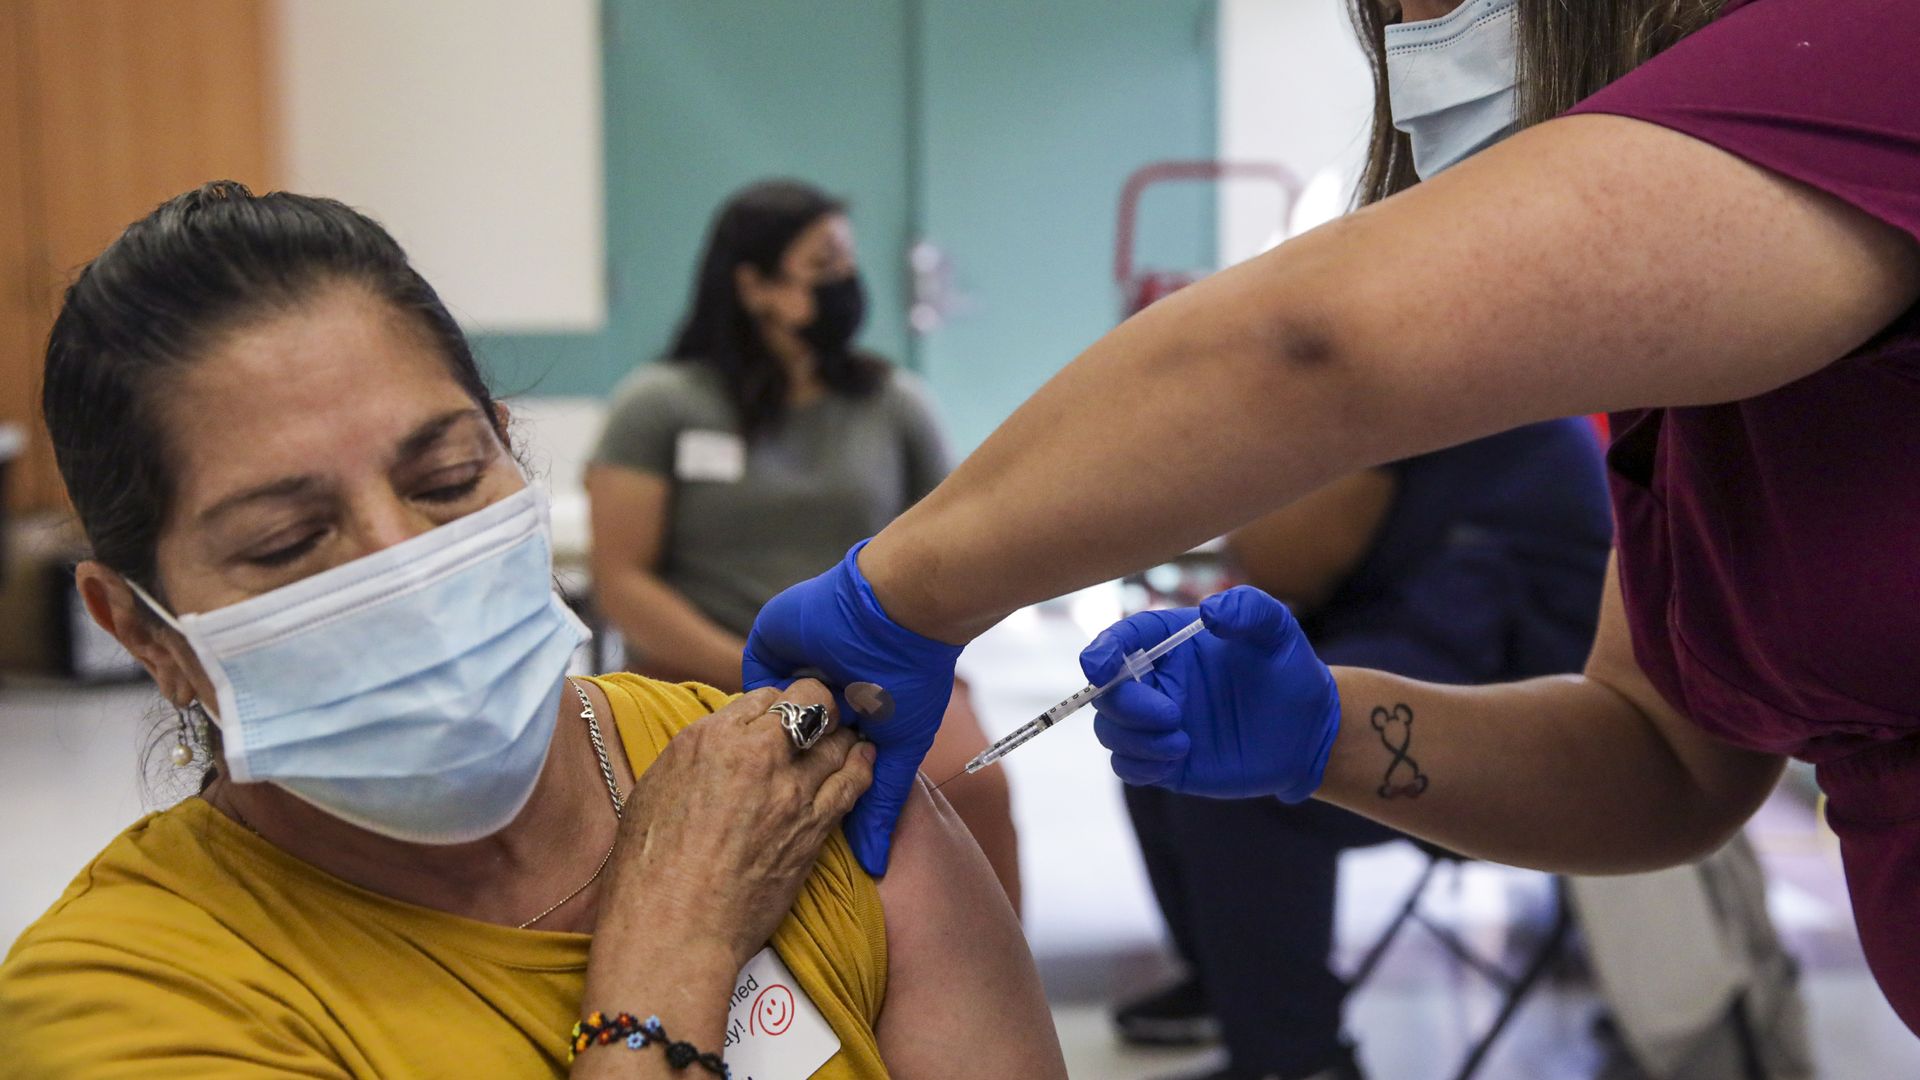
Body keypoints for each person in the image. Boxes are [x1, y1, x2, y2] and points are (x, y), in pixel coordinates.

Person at [739, 0, 1920, 1036]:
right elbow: (1666, 764)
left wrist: (900, 592)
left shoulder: (1866, 54)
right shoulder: (1706, 385)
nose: (1420, 41)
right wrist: (1326, 729)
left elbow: (1312, 347)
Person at [0, 182, 1066, 1079]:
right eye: (288, 541)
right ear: (144, 633)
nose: (401, 562)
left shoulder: (787, 783)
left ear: (510, 453)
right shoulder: (126, 996)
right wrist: (670, 948)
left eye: (448, 478)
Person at [1118, 419, 1614, 1080]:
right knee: (1167, 736)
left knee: (1238, 767)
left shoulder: (1446, 389)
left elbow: (1283, 556)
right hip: (1438, 648)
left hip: (1520, 707)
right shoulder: (1427, 395)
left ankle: (1296, 1061)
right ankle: (1232, 987)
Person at [586, 179, 1020, 910]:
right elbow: (623, 581)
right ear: (754, 285)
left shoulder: (893, 403)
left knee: (969, 782)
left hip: (873, 673)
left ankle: (986, 992)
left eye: (847, 266)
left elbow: (953, 547)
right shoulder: (659, 404)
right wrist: (754, 672)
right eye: (822, 268)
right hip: (704, 672)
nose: (845, 286)